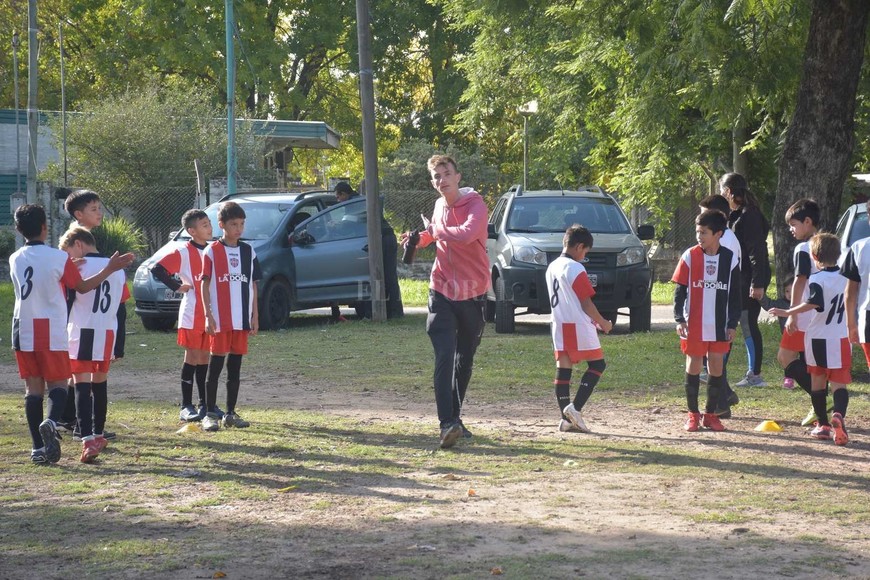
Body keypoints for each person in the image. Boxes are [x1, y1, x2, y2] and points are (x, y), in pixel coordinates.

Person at [9, 204, 133, 463]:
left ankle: (37, 449)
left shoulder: (15, 258)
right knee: (58, 385)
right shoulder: (59, 258)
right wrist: (108, 269)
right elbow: (82, 286)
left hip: (22, 327)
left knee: (32, 389)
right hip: (51, 328)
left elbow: (41, 278)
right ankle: (52, 422)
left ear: (19, 230)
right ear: (45, 227)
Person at [401, 155, 489, 449]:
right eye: (437, 176)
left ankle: (455, 419)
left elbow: (467, 234)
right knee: (444, 356)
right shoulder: (439, 206)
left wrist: (435, 232)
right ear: (433, 182)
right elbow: (434, 235)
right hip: (441, 291)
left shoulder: (476, 205)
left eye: (446, 173)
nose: (442, 180)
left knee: (464, 358)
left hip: (473, 293)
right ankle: (446, 424)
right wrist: (419, 239)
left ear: (458, 177)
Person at [769, 233, 851, 445]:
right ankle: (838, 415)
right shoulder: (847, 277)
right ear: (838, 254)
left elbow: (814, 302)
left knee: (817, 381)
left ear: (814, 257)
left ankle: (823, 425)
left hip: (817, 337)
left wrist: (789, 312)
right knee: (839, 384)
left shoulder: (816, 279)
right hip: (840, 337)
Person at [59, 227, 129, 462]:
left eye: (68, 251)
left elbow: (67, 299)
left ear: (78, 244)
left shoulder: (78, 267)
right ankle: (98, 434)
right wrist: (120, 343)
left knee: (81, 385)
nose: (68, 258)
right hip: (107, 332)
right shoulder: (118, 269)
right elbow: (121, 306)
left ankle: (87, 440)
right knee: (100, 385)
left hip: (82, 331)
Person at [672, 209, 741, 432]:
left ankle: (710, 415)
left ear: (718, 233)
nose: (699, 236)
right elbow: (679, 290)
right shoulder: (689, 256)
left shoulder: (730, 259)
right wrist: (679, 318)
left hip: (720, 323)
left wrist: (732, 323)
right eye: (697, 232)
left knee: (716, 365)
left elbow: (735, 295)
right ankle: (693, 415)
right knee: (694, 364)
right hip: (695, 322)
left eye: (704, 232)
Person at [200, 201, 261, 431]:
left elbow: (253, 285)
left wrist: (255, 315)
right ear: (222, 225)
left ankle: (230, 413)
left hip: (241, 319)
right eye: (234, 224)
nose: (239, 229)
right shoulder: (212, 251)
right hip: (221, 319)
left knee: (235, 368)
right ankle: (209, 414)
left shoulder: (248, 251)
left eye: (242, 224)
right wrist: (208, 314)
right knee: (215, 367)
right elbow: (205, 285)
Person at [546, 225, 613, 433]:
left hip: (559, 323)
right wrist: (603, 322)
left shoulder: (552, 266)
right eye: (585, 252)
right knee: (598, 364)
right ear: (579, 246)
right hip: (577, 325)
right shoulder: (575, 268)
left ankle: (565, 420)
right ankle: (574, 409)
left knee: (563, 368)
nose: (584, 257)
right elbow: (586, 303)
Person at [151, 209, 214, 422]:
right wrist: (177, 286)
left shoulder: (213, 250)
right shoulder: (183, 252)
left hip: (210, 313)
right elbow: (157, 269)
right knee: (192, 356)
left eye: (209, 223)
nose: (209, 228)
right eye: (204, 225)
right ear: (191, 231)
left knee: (205, 357)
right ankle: (186, 405)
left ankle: (205, 404)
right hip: (192, 313)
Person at [774, 200, 824, 422]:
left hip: (804, 314)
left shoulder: (803, 248)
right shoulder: (831, 245)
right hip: (824, 314)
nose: (790, 229)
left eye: (793, 224)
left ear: (808, 222)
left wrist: (792, 313)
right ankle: (820, 403)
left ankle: (821, 400)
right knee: (815, 363)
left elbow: (800, 281)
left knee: (785, 357)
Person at [721, 173, 771, 387]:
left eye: (722, 190)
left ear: (729, 191)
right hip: (739, 279)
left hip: (749, 280)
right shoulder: (735, 215)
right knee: (733, 321)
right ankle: (716, 370)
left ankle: (755, 375)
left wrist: (757, 283)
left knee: (747, 323)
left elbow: (756, 251)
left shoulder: (749, 215)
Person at [333, 181, 404, 321]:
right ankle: (394, 311)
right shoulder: (358, 200)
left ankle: (384, 311)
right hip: (387, 237)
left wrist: (334, 226)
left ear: (344, 194)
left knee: (380, 275)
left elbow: (347, 225)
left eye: (338, 197)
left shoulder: (353, 204)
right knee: (389, 276)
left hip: (382, 239)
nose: (338, 200)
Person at [697, 194, 741, 416]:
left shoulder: (727, 242)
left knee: (715, 361)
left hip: (719, 312)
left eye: (704, 214)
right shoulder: (723, 238)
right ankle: (726, 396)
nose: (700, 220)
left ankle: (721, 405)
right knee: (714, 361)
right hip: (712, 310)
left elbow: (726, 281)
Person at [767, 275, 796, 389]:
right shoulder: (781, 303)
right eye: (787, 291)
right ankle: (789, 378)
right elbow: (768, 305)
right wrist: (760, 297)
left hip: (803, 335)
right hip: (788, 335)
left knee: (805, 359)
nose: (789, 294)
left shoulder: (803, 303)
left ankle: (809, 378)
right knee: (785, 358)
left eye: (792, 291)